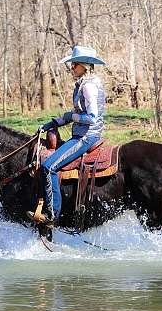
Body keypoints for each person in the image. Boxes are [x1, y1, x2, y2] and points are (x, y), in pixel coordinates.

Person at [27, 45, 106, 224]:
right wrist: (53, 123)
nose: (72, 68)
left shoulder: (88, 87)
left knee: (48, 167)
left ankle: (52, 214)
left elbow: (92, 117)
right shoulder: (85, 84)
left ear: (85, 66)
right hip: (81, 133)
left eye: (75, 64)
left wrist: (72, 116)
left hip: (86, 136)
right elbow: (77, 112)